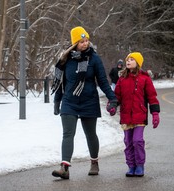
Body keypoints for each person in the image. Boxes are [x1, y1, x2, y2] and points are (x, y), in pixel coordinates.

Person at [51, 26, 118, 179]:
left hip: (89, 101)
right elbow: (62, 82)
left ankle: (94, 162)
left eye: (87, 40)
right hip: (69, 101)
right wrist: (57, 101)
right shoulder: (65, 59)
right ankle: (64, 168)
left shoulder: (94, 58)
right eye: (81, 41)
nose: (85, 44)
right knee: (68, 134)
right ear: (75, 43)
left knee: (90, 134)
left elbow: (102, 81)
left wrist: (112, 98)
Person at [114, 52, 160, 177]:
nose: (128, 61)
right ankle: (131, 166)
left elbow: (152, 96)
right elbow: (117, 95)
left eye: (132, 59)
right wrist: (112, 105)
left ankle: (140, 165)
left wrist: (155, 113)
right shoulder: (122, 79)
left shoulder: (145, 78)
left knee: (137, 141)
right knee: (128, 142)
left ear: (138, 63)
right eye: (128, 59)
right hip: (126, 115)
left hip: (140, 115)